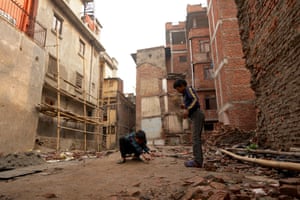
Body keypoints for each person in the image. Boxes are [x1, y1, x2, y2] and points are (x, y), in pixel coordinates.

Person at [173, 79, 205, 168]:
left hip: (197, 115)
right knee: (195, 138)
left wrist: (188, 109)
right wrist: (185, 107)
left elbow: (195, 99)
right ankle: (197, 160)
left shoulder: (188, 89)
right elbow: (191, 103)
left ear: (182, 86)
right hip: (195, 116)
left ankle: (197, 161)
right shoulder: (185, 94)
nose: (178, 91)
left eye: (177, 88)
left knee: (195, 138)